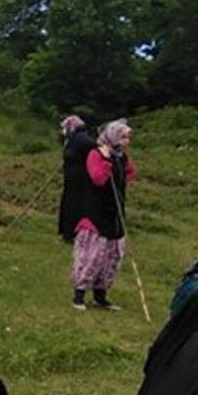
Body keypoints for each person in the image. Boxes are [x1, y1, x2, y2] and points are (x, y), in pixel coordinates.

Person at [69, 119, 136, 311]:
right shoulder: (96, 154)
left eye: (127, 138)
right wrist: (106, 160)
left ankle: (101, 295)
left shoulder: (121, 156)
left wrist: (120, 163)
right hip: (95, 213)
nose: (126, 142)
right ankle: (79, 295)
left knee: (111, 256)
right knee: (92, 255)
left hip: (114, 212)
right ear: (113, 136)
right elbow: (98, 179)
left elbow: (130, 174)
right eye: (123, 137)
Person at [57, 115, 95, 242]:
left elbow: (93, 150)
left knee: (75, 206)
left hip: (80, 180)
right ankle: (67, 232)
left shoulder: (82, 138)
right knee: (69, 204)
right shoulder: (72, 138)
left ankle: (73, 233)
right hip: (72, 179)